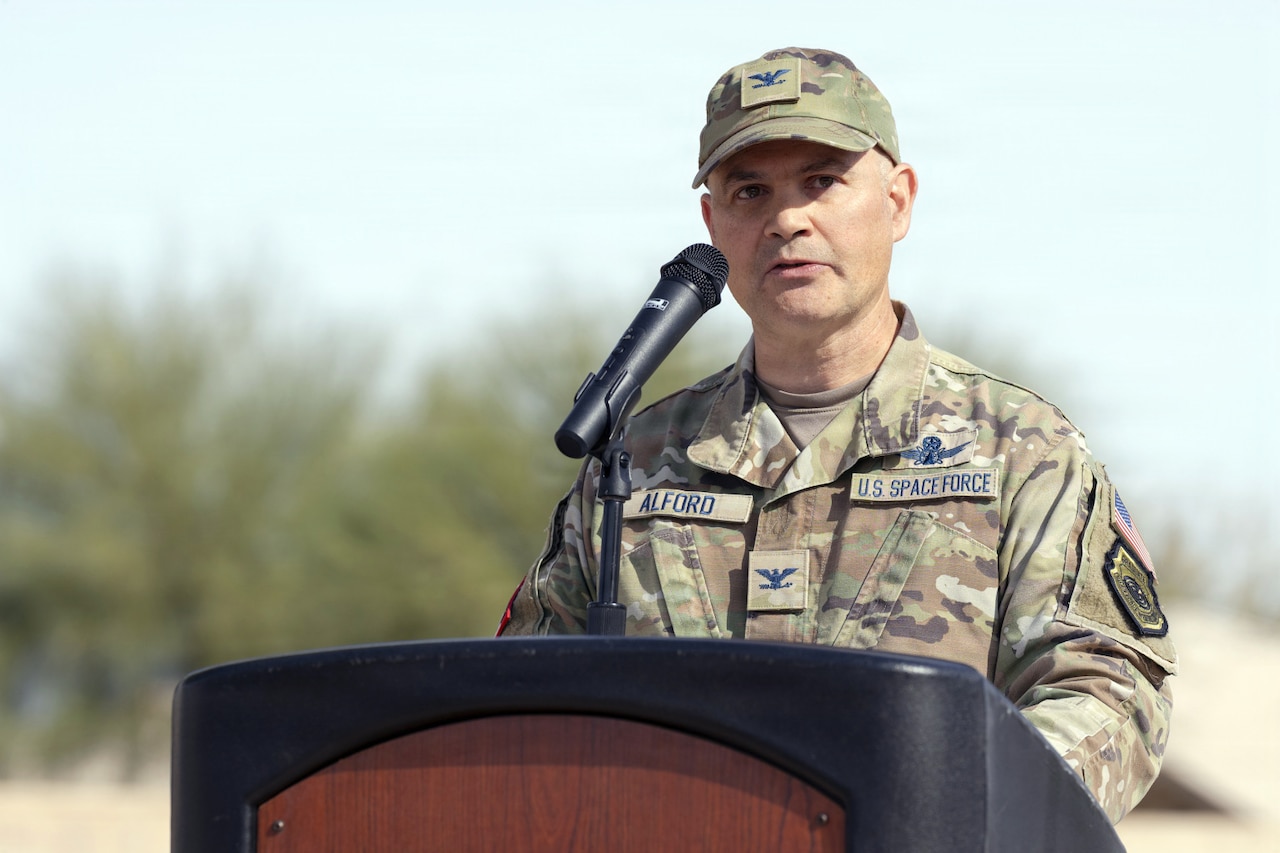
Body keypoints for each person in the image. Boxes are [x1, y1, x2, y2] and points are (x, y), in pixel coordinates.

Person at [498, 47, 1175, 823]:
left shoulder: (1019, 450)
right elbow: (520, 696)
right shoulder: (637, 465)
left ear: (898, 201)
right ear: (712, 225)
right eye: (750, 191)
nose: (788, 219)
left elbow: (1106, 688)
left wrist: (958, 817)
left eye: (821, 181)